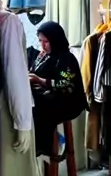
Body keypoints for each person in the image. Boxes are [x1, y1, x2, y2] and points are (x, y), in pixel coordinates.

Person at [28, 20, 87, 156]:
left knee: (40, 108)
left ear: (55, 40)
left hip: (68, 102)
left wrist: (40, 81)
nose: (42, 45)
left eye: (46, 41)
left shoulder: (66, 59)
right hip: (50, 97)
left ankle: (43, 148)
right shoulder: (43, 55)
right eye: (40, 41)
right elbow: (34, 71)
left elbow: (65, 83)